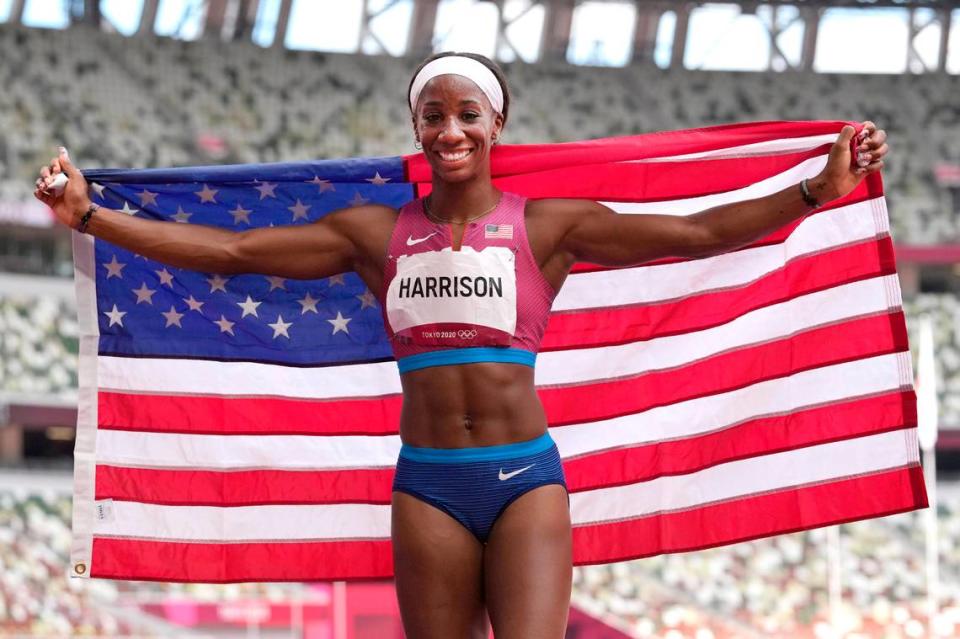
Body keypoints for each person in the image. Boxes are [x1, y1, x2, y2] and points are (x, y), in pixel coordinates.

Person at [35, 51, 888, 638]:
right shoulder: (375, 232)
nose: (450, 129)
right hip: (428, 485)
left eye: (466, 113)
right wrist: (91, 217)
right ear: (418, 127)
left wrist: (818, 187)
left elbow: (697, 229)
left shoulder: (549, 226)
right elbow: (232, 253)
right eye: (433, 114)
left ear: (495, 124)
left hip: (525, 478)